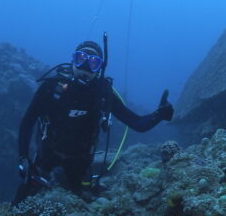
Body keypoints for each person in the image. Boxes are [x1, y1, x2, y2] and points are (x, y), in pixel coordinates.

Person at [14, 39, 173, 203]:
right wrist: (23, 158)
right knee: (24, 196)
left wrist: (159, 115)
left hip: (80, 162)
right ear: (72, 60)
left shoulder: (103, 94)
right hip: (46, 155)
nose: (85, 67)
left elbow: (138, 124)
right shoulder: (52, 88)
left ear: (100, 68)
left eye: (93, 63)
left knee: (84, 202)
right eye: (80, 59)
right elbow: (27, 122)